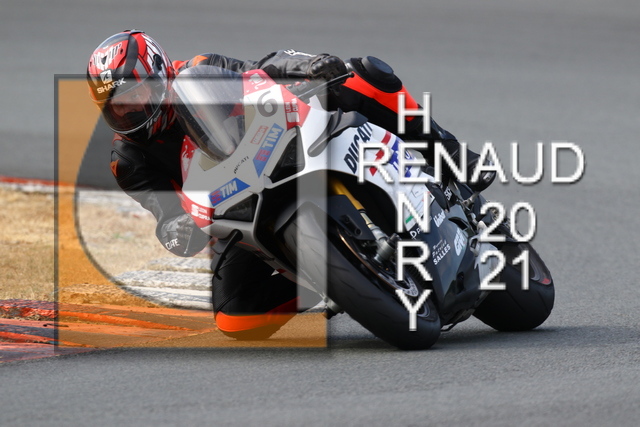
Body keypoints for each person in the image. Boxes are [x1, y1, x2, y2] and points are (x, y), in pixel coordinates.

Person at [86, 29, 494, 339]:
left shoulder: (199, 68)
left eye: (135, 95)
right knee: (234, 317)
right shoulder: (128, 160)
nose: (129, 111)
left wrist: (310, 67)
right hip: (236, 208)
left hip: (278, 145)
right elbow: (164, 212)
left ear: (158, 74)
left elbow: (260, 71)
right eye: (117, 106)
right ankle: (333, 283)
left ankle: (448, 153)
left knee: (362, 75)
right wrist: (175, 229)